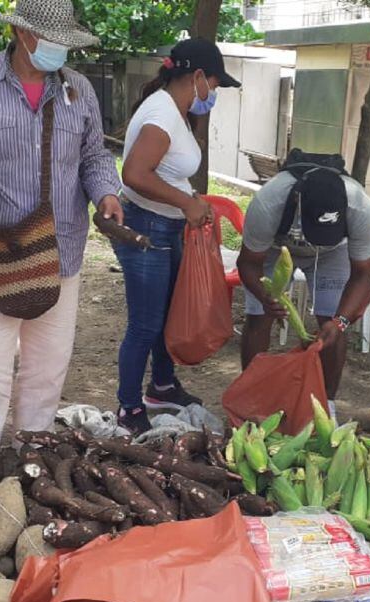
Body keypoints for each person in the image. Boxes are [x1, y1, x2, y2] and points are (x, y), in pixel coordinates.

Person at [0, 0, 121, 503]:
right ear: (17, 31)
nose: (55, 49)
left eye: (61, 40)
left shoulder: (79, 90)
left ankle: (33, 453)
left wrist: (108, 193)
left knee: (48, 362)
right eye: (44, 36)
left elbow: (95, 156)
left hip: (61, 249)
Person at [100, 38, 240, 435]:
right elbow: (135, 175)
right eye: (212, 85)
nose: (212, 94)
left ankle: (161, 386)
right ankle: (129, 408)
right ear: (196, 76)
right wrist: (186, 201)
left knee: (166, 315)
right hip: (146, 228)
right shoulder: (162, 114)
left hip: (168, 223)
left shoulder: (174, 110)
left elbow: (165, 171)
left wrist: (189, 200)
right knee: (145, 324)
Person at [237, 159, 370, 410]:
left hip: (332, 253)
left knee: (332, 325)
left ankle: (327, 405)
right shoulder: (269, 203)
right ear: (298, 203)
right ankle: (251, 398)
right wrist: (264, 297)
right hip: (274, 247)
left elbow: (363, 274)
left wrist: (341, 321)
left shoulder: (361, 207)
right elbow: (248, 263)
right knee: (260, 316)